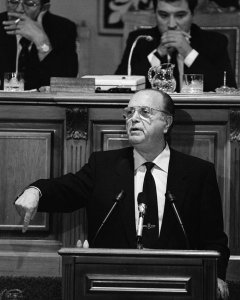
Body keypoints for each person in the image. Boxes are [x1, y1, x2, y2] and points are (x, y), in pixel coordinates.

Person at [15, 89, 229, 299]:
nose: (133, 119)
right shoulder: (104, 166)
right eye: (129, 112)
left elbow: (214, 238)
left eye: (144, 112)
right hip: (112, 284)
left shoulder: (198, 173)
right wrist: (36, 191)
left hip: (178, 286)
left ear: (167, 123)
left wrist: (217, 276)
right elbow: (66, 190)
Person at [115, 0, 237, 92]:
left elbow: (228, 89)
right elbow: (120, 86)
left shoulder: (214, 41)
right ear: (155, 14)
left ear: (192, 14)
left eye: (180, 15)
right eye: (163, 15)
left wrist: (188, 53)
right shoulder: (140, 40)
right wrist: (158, 54)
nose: (172, 24)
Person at [0, 0, 78, 90]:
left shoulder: (63, 29)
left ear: (44, 8)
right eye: (13, 2)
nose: (19, 9)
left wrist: (41, 41)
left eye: (29, 4)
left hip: (43, 102)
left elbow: (65, 84)